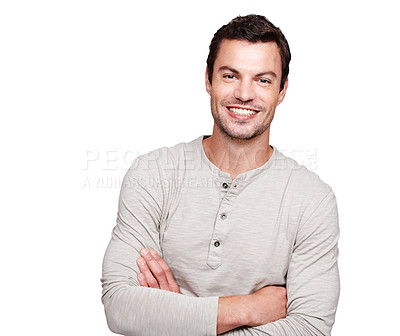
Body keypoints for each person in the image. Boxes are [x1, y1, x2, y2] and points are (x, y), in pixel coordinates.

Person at [101, 14, 340, 336]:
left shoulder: (312, 198)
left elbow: (310, 328)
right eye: (230, 75)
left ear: (282, 90)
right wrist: (250, 308)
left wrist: (174, 320)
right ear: (208, 79)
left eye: (263, 80)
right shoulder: (152, 173)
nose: (244, 94)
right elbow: (121, 307)